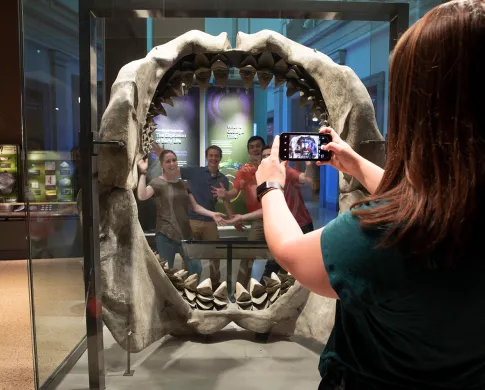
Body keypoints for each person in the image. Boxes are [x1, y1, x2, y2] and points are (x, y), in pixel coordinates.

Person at [255, 2, 485, 389]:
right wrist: (358, 164)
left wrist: (269, 186)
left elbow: (292, 253)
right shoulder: (456, 213)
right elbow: (434, 204)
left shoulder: (385, 235)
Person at [153, 143, 239, 288]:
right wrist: (161, 153)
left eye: (216, 156)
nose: (213, 158)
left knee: (214, 254)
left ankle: (215, 284)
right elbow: (173, 167)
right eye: (210, 155)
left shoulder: (223, 179)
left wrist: (234, 219)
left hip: (211, 221)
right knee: (190, 256)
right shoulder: (194, 171)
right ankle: (189, 284)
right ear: (206, 157)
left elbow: (226, 200)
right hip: (192, 220)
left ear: (220, 158)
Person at [137, 150, 226, 280]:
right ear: (162, 164)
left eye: (174, 160)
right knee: (166, 273)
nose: (172, 163)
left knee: (196, 268)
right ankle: (169, 299)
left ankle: (189, 296)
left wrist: (212, 214)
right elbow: (142, 195)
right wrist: (143, 173)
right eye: (168, 161)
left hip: (186, 235)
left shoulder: (183, 184)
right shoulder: (157, 183)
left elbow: (195, 207)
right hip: (166, 235)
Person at [228, 144, 314, 279]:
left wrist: (309, 165)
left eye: (270, 155)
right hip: (281, 225)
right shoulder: (263, 178)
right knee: (274, 264)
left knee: (299, 267)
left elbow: (306, 178)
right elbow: (265, 208)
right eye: (264, 156)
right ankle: (262, 290)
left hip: (300, 224)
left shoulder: (284, 170)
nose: (267, 158)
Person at [211, 135, 268, 288]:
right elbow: (234, 192)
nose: (255, 149)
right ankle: (240, 289)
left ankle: (276, 286)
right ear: (249, 152)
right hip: (259, 221)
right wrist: (226, 194)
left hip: (278, 218)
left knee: (283, 254)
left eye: (258, 146)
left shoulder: (273, 166)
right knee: (248, 255)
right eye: (252, 147)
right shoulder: (244, 171)